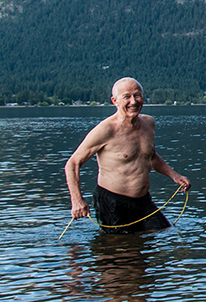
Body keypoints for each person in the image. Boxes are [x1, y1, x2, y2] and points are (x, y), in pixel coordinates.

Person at [64, 77, 191, 233]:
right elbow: (73, 163)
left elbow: (150, 156)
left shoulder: (148, 123)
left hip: (143, 201)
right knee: (121, 246)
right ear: (115, 101)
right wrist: (77, 200)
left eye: (137, 95)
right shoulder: (106, 130)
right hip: (113, 203)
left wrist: (175, 176)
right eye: (127, 97)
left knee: (162, 232)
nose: (133, 101)